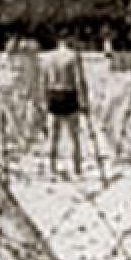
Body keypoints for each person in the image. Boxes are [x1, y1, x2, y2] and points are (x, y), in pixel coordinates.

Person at [38, 33, 89, 177]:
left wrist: (44, 100)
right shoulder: (73, 56)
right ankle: (76, 168)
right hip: (69, 94)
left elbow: (43, 81)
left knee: (54, 135)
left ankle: (52, 167)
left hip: (54, 93)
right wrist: (84, 101)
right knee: (74, 135)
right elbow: (79, 80)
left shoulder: (47, 58)